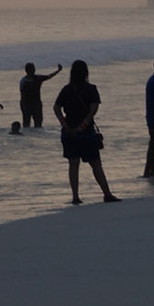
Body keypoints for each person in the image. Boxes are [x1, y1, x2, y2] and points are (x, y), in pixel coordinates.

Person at [54, 60, 115, 204]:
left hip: (68, 133)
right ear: (86, 72)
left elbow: (56, 108)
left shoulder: (66, 89)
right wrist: (83, 125)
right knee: (96, 164)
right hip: (86, 133)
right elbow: (93, 109)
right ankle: (107, 194)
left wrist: (65, 124)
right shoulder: (91, 89)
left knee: (73, 165)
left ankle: (75, 196)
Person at [19, 63, 61, 130]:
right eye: (32, 69)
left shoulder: (38, 78)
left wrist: (58, 71)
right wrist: (24, 106)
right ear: (27, 70)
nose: (33, 71)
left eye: (34, 69)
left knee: (38, 125)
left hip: (37, 104)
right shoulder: (23, 81)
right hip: (26, 105)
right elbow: (22, 94)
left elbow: (49, 76)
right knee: (26, 125)